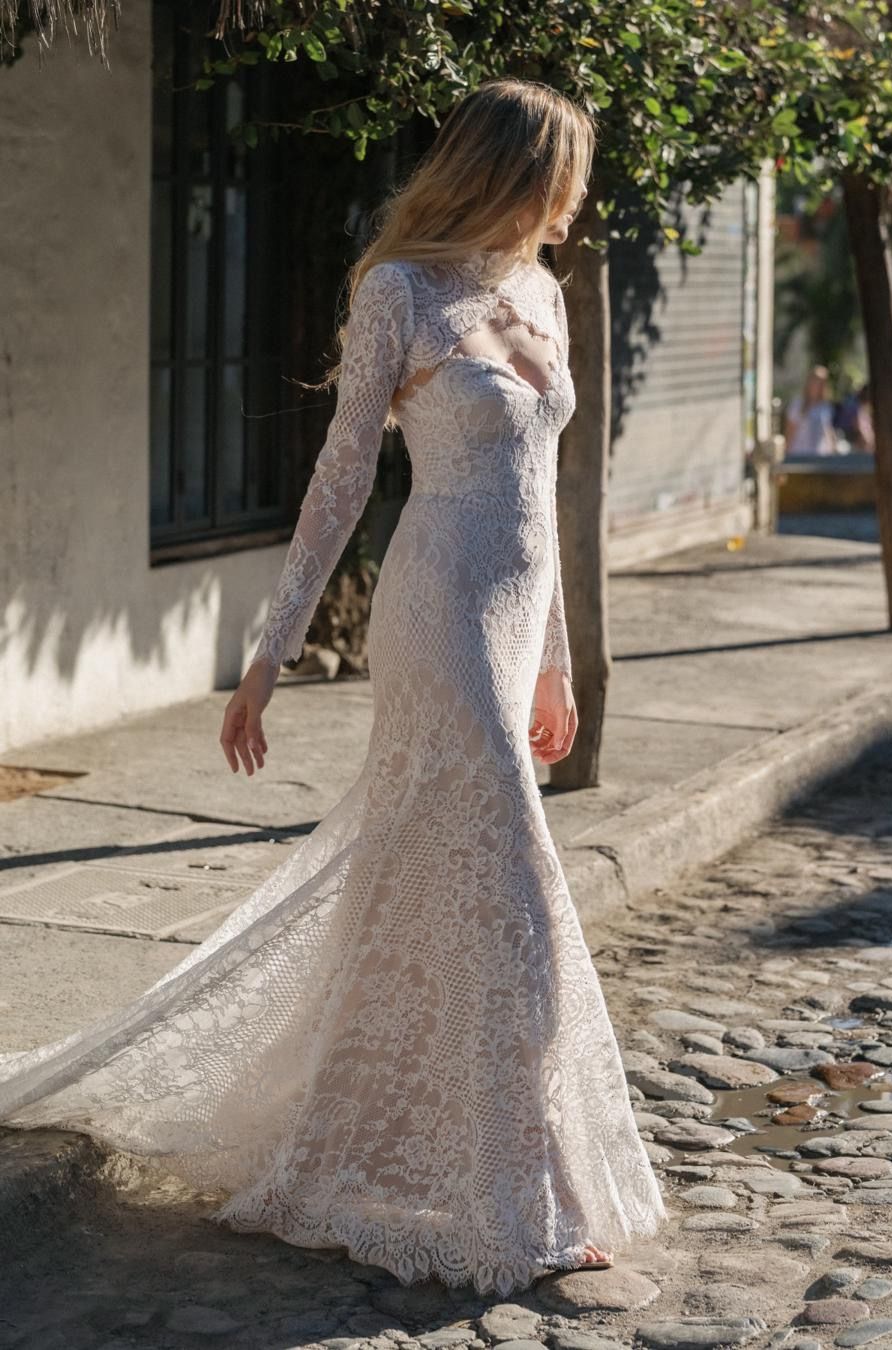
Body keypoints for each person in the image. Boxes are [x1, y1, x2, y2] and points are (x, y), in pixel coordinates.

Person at [0, 78, 666, 1295]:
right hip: (436, 614)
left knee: (437, 882)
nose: (578, 199)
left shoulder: (542, 291)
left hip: (516, 624)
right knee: (512, 883)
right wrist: (272, 653)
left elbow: (546, 506)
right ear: (513, 172)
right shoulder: (398, 291)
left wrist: (560, 662)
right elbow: (338, 482)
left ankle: (400, 1140)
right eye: (565, 174)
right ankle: (526, 1188)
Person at [784, 364, 838, 456]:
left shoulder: (825, 407)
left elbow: (827, 430)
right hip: (799, 455)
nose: (816, 385)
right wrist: (786, 454)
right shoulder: (797, 405)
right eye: (814, 381)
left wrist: (833, 449)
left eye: (820, 382)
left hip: (820, 456)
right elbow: (789, 432)